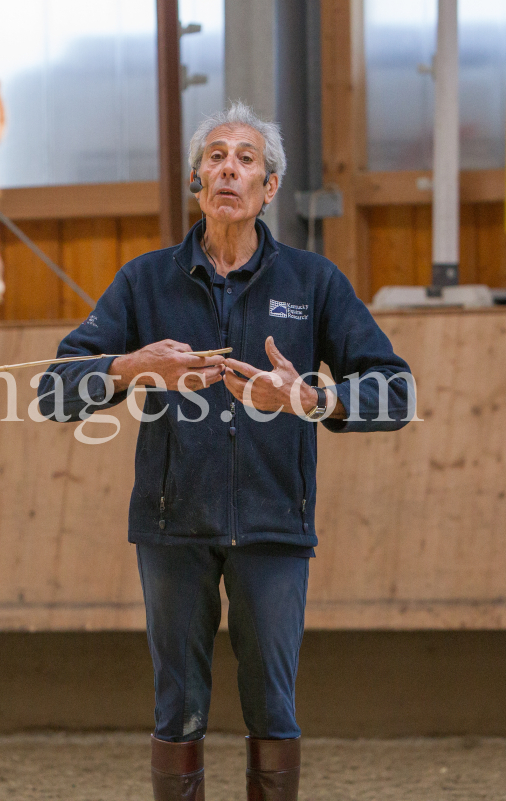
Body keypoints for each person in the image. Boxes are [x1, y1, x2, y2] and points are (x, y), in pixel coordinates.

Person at [37, 102, 413, 801]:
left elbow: (396, 391)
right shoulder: (144, 281)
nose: (228, 169)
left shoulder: (313, 283)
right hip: (171, 527)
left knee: (273, 707)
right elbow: (55, 390)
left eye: (245, 159)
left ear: (269, 189)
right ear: (195, 180)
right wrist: (131, 367)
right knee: (176, 710)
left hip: (274, 525)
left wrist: (311, 399)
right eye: (215, 156)